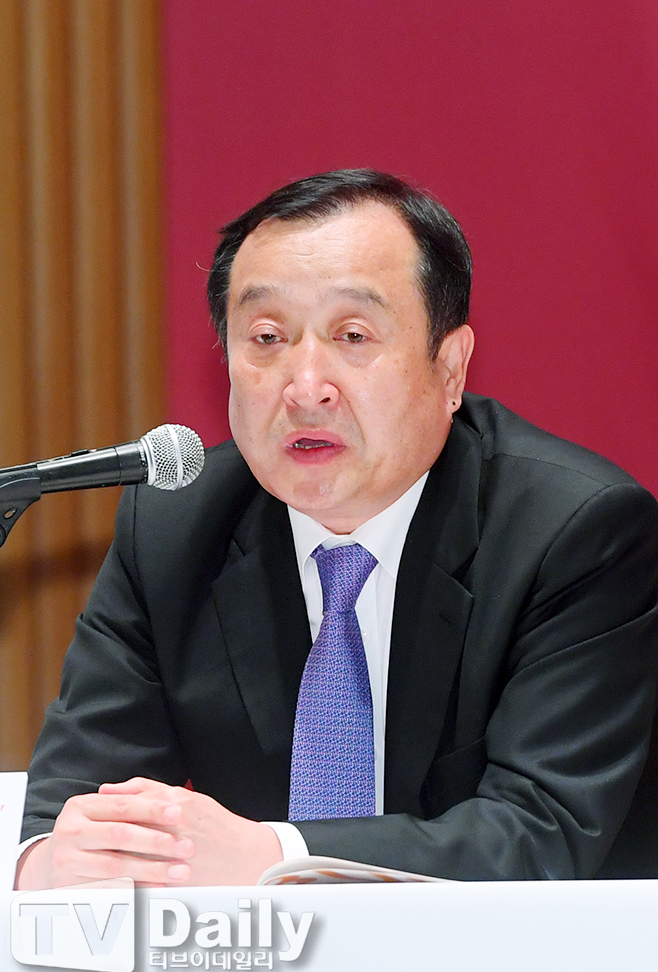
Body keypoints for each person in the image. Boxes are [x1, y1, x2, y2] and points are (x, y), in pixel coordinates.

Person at [17, 169, 658, 889]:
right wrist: (53, 862)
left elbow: (538, 837)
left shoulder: (574, 535)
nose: (305, 386)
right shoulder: (173, 529)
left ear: (450, 369)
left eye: (353, 335)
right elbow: (68, 809)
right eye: (267, 337)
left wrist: (276, 856)